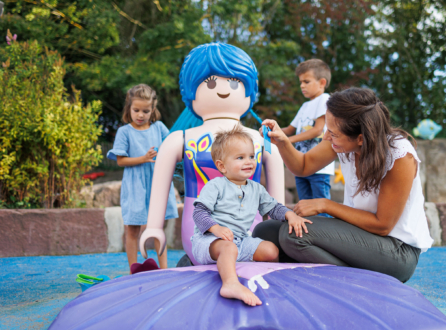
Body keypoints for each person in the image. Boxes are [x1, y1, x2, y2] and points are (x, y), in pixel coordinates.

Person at [255, 87, 434, 283]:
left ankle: (355, 280)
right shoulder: (343, 142)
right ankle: (320, 271)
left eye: (333, 133)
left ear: (361, 138)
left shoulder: (399, 155)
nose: (327, 137)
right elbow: (303, 166)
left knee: (294, 238)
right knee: (265, 232)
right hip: (359, 237)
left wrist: (325, 204)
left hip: (396, 252)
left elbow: (383, 225)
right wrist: (282, 142)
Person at [138, 43, 286, 268]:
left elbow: (276, 203)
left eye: (235, 81)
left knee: (265, 252)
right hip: (200, 230)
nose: (224, 89)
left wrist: (282, 230)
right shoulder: (181, 139)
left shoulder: (263, 141)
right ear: (191, 90)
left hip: (251, 232)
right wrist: (154, 228)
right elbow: (160, 185)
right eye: (211, 82)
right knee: (224, 250)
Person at [192, 125, 311, 306]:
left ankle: (272, 282)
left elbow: (273, 208)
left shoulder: (256, 188)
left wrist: (290, 215)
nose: (249, 161)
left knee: (270, 250)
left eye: (251, 156)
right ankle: (230, 284)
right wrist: (216, 228)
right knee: (228, 248)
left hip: (241, 240)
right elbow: (199, 212)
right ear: (221, 166)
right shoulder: (215, 186)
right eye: (240, 157)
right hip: (209, 241)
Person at [107, 84, 179, 271]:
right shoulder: (125, 132)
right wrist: (144, 158)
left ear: (153, 110)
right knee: (132, 229)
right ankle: (134, 269)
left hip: (157, 183)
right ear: (128, 108)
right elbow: (121, 161)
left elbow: (172, 148)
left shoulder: (159, 128)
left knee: (157, 227)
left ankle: (164, 270)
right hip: (135, 185)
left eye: (145, 111)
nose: (140, 115)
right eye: (136, 110)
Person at [280, 59, 334, 210]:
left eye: (306, 81)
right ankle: (309, 233)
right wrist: (272, 131)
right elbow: (290, 129)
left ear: (322, 82)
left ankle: (324, 233)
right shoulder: (305, 106)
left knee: (321, 207)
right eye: (300, 82)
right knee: (305, 206)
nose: (302, 85)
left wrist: (287, 140)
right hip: (300, 165)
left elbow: (317, 130)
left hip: (319, 167)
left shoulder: (324, 99)